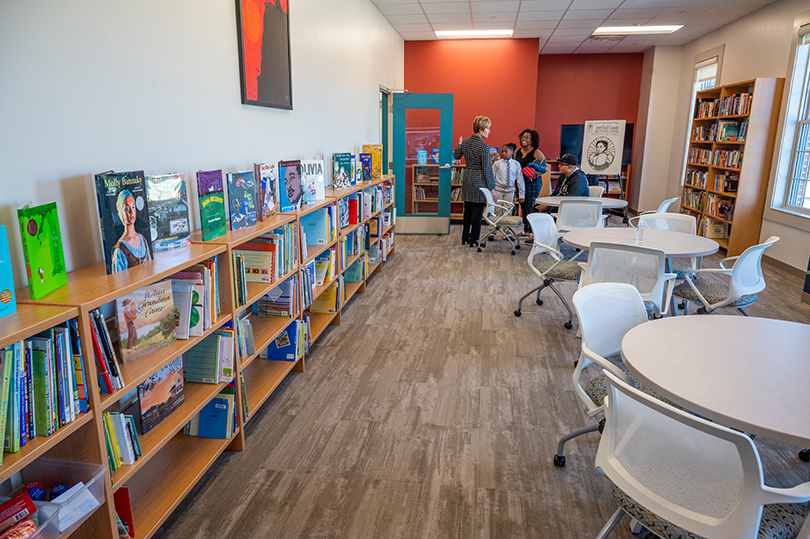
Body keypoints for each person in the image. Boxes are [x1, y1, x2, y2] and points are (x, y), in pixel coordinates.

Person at [453, 115, 496, 247]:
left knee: (467, 211)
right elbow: (487, 169)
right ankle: (474, 240)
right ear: (481, 129)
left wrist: (459, 144)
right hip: (479, 180)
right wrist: (492, 189)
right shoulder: (484, 147)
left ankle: (465, 237)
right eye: (488, 129)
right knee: (477, 212)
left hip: (467, 177)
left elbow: (456, 155)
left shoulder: (465, 142)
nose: (489, 131)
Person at [514, 129, 548, 242]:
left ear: (532, 140)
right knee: (523, 205)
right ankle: (526, 230)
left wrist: (535, 173)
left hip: (533, 182)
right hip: (521, 182)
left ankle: (533, 232)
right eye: (523, 137)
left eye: (527, 137)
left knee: (530, 205)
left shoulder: (536, 152)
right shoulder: (517, 152)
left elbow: (545, 167)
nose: (524, 139)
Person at [112, 189, 152, 273]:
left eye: (133, 207)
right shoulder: (119, 251)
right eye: (127, 208)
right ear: (121, 212)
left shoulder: (142, 239)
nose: (131, 211)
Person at [492, 143, 524, 208]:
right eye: (502, 151)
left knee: (508, 209)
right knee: (496, 209)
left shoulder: (516, 164)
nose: (503, 153)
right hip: (498, 189)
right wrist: (491, 191)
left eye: (506, 151)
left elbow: (520, 180)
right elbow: (492, 177)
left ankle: (506, 218)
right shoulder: (497, 163)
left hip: (510, 190)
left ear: (511, 152)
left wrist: (522, 195)